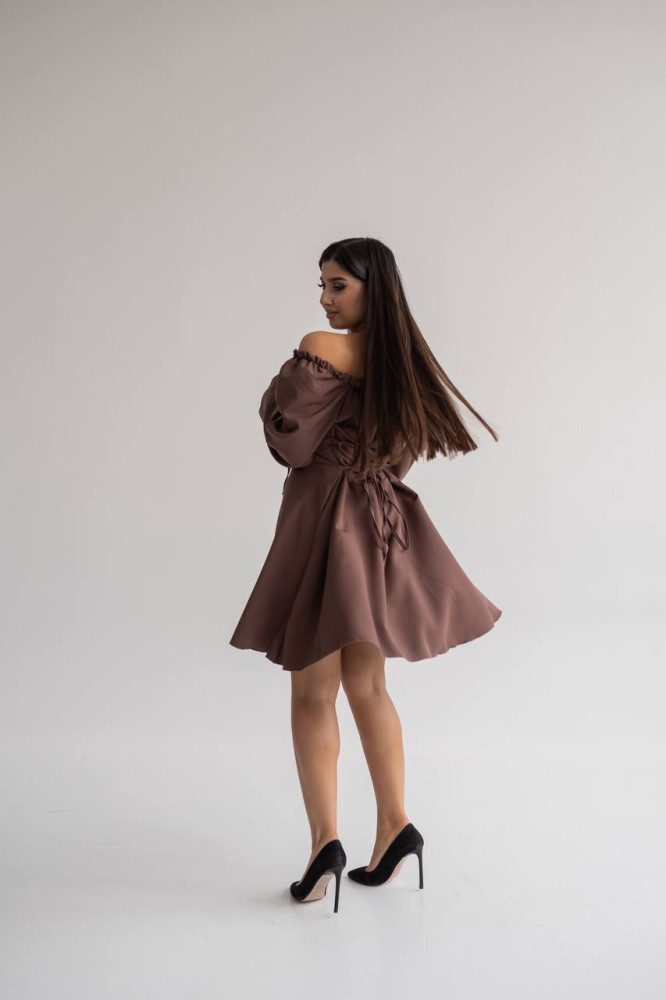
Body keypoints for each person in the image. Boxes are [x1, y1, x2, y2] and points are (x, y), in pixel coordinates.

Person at [229, 236, 502, 913]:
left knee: (311, 691)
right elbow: (400, 457)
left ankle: (324, 844)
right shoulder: (404, 365)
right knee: (369, 686)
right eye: (321, 285)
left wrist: (282, 396)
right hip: (380, 527)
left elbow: (290, 438)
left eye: (337, 285)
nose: (324, 299)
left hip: (322, 521)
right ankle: (395, 826)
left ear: (371, 288)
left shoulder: (321, 348)